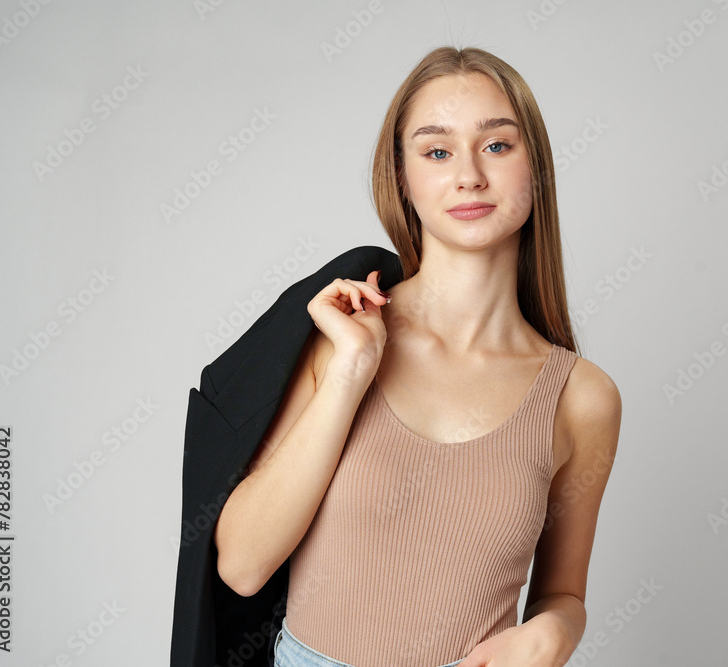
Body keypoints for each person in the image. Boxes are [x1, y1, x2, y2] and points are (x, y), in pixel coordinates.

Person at [211, 45, 621, 667]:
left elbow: (562, 593)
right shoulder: (341, 338)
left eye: (498, 145)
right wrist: (350, 374)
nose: (469, 175)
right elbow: (241, 566)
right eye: (437, 151)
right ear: (402, 177)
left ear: (534, 167)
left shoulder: (581, 397)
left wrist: (558, 631)